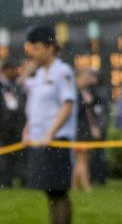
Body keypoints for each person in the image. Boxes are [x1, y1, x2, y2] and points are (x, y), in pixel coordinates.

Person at [22, 25, 76, 224]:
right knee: (50, 191)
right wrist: (27, 131)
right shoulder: (38, 74)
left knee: (58, 191)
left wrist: (50, 133)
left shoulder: (62, 71)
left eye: (36, 48)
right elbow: (34, 108)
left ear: (50, 47)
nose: (32, 53)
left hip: (56, 140)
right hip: (40, 140)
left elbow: (67, 105)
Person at [0, 59, 26, 188]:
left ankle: (10, 181)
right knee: (0, 156)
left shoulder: (15, 85)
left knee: (12, 156)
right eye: (11, 70)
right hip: (1, 128)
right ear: (5, 71)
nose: (13, 73)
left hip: (14, 127)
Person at [72, 69, 109, 191]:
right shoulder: (73, 92)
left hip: (84, 128)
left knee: (81, 158)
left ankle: (74, 186)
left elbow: (92, 109)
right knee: (82, 158)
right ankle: (86, 186)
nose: (88, 81)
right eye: (86, 78)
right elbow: (79, 111)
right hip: (79, 128)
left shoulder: (87, 91)